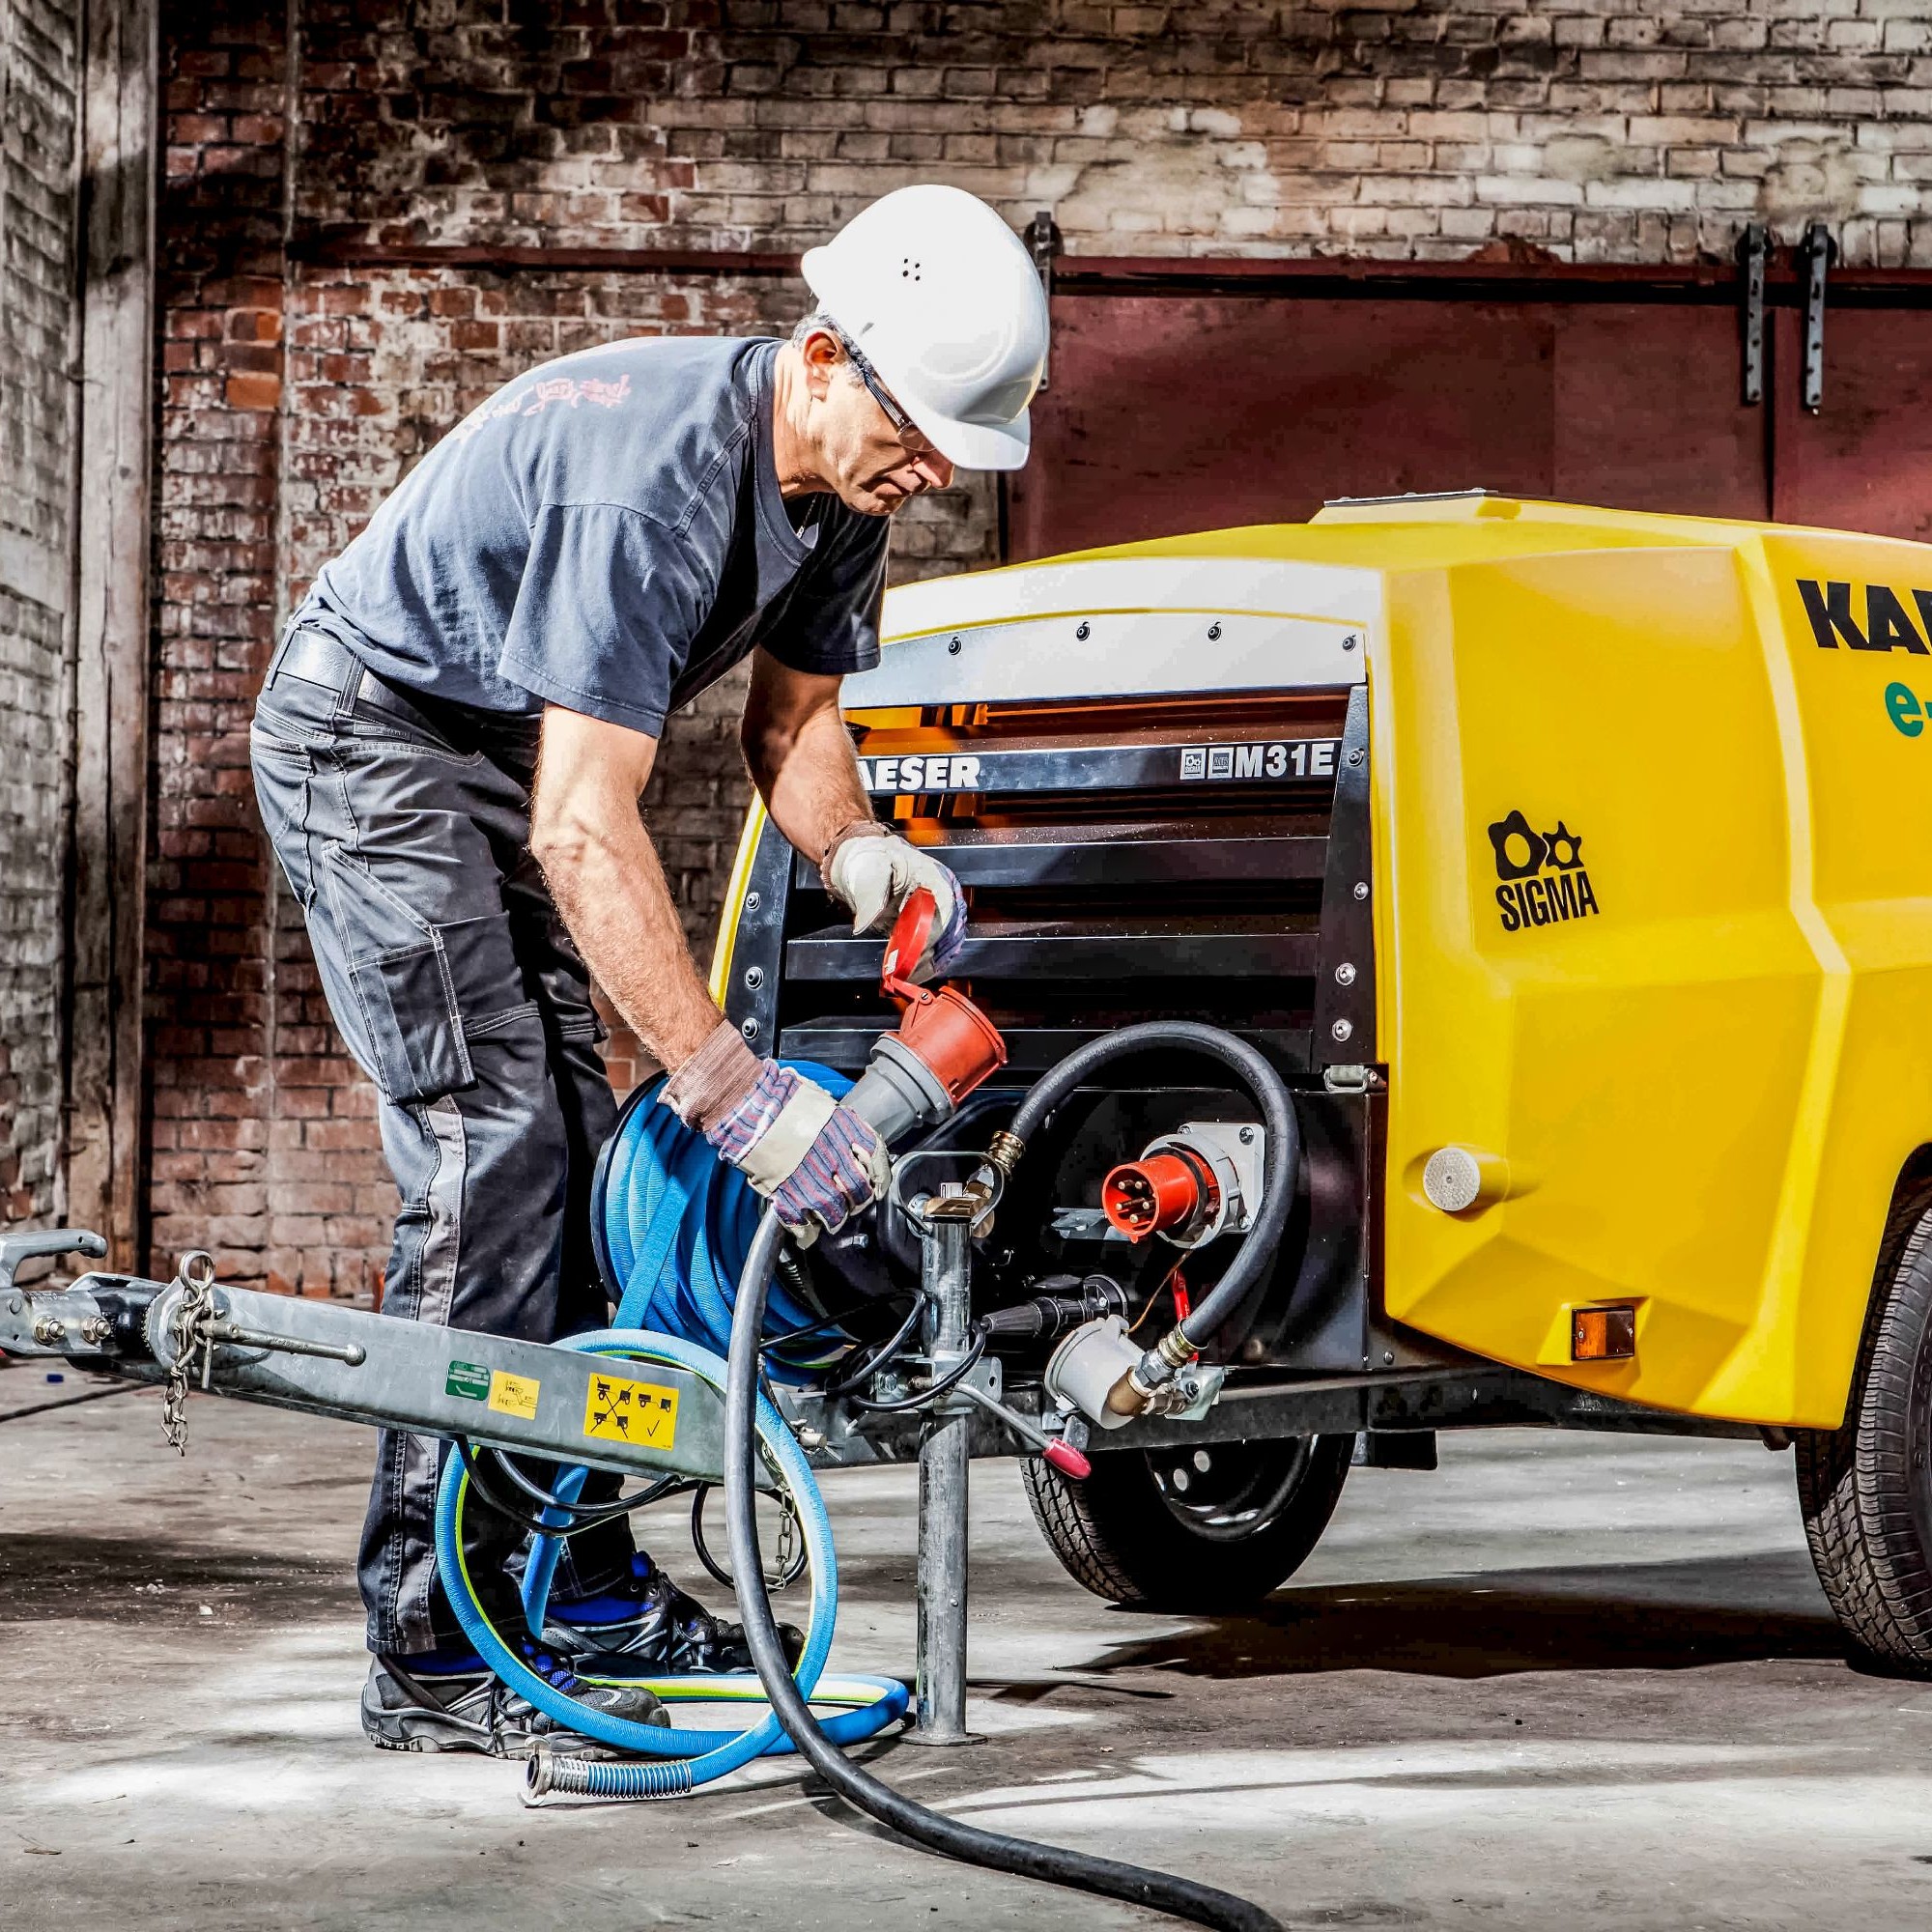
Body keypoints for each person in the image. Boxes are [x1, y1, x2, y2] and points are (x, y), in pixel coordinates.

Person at [247, 184, 1050, 1755]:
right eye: (923, 430)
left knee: (580, 1157)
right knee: (500, 1145)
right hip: (370, 738)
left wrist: (854, 854)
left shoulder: (841, 492)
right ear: (824, 355)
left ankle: (574, 1580)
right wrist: (736, 1092)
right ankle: (427, 1645)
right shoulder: (656, 483)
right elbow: (581, 825)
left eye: (961, 448)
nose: (939, 471)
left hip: (481, 751)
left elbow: (793, 725)